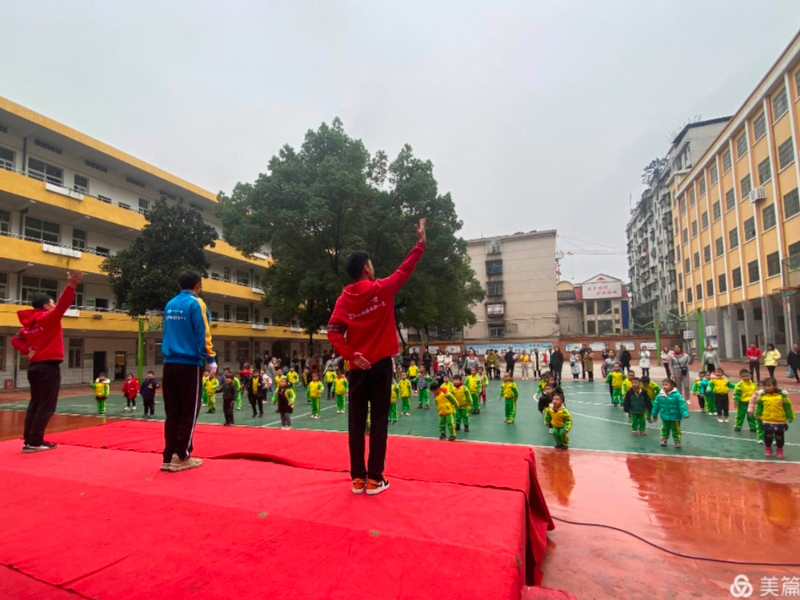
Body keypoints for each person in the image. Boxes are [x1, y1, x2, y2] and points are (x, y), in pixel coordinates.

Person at [326, 218, 426, 495]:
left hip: (357, 368)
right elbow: (405, 269)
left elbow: (333, 332)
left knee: (356, 423)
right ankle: (375, 480)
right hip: (381, 365)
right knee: (379, 420)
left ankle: (357, 479)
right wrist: (420, 244)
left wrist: (350, 355)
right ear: (367, 268)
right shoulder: (383, 288)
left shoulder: (344, 300)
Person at [12, 270, 84, 453]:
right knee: (46, 405)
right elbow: (62, 306)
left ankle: (30, 440)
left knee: (35, 404)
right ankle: (35, 442)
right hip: (48, 367)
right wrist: (71, 286)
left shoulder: (29, 325)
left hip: (34, 367)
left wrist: (26, 350)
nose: (54, 306)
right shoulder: (47, 318)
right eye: (51, 303)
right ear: (45, 306)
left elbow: (15, 339)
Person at [160, 271, 217, 473]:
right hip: (189, 363)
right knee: (189, 411)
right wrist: (210, 359)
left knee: (172, 412)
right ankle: (181, 455)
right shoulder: (196, 303)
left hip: (169, 363)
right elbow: (203, 333)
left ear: (179, 284)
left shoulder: (170, 304)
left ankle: (168, 456)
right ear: (197, 286)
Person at [751, 377, 794, 459]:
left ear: (775, 386)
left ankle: (780, 449)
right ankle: (768, 448)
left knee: (779, 437)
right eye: (765, 386)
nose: (767, 387)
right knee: (768, 435)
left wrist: (790, 416)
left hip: (779, 421)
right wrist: (757, 414)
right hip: (767, 420)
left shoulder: (782, 397)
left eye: (769, 385)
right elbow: (759, 407)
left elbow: (787, 407)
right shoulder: (762, 397)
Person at [651, 378, 690, 448]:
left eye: (666, 385)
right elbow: (656, 405)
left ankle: (677, 441)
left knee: (676, 429)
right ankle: (664, 439)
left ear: (672, 386)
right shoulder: (660, 395)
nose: (664, 386)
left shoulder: (677, 395)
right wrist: (654, 413)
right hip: (664, 416)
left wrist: (685, 413)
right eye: (663, 385)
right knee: (664, 428)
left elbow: (682, 404)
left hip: (675, 416)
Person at [733, 369, 757, 433]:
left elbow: (756, 394)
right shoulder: (739, 385)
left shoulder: (753, 385)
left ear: (750, 376)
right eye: (744, 376)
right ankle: (738, 426)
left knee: (751, 415)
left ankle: (753, 427)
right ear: (740, 377)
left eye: (747, 376)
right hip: (742, 403)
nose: (746, 377)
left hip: (751, 403)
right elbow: (736, 394)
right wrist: (736, 401)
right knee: (740, 415)